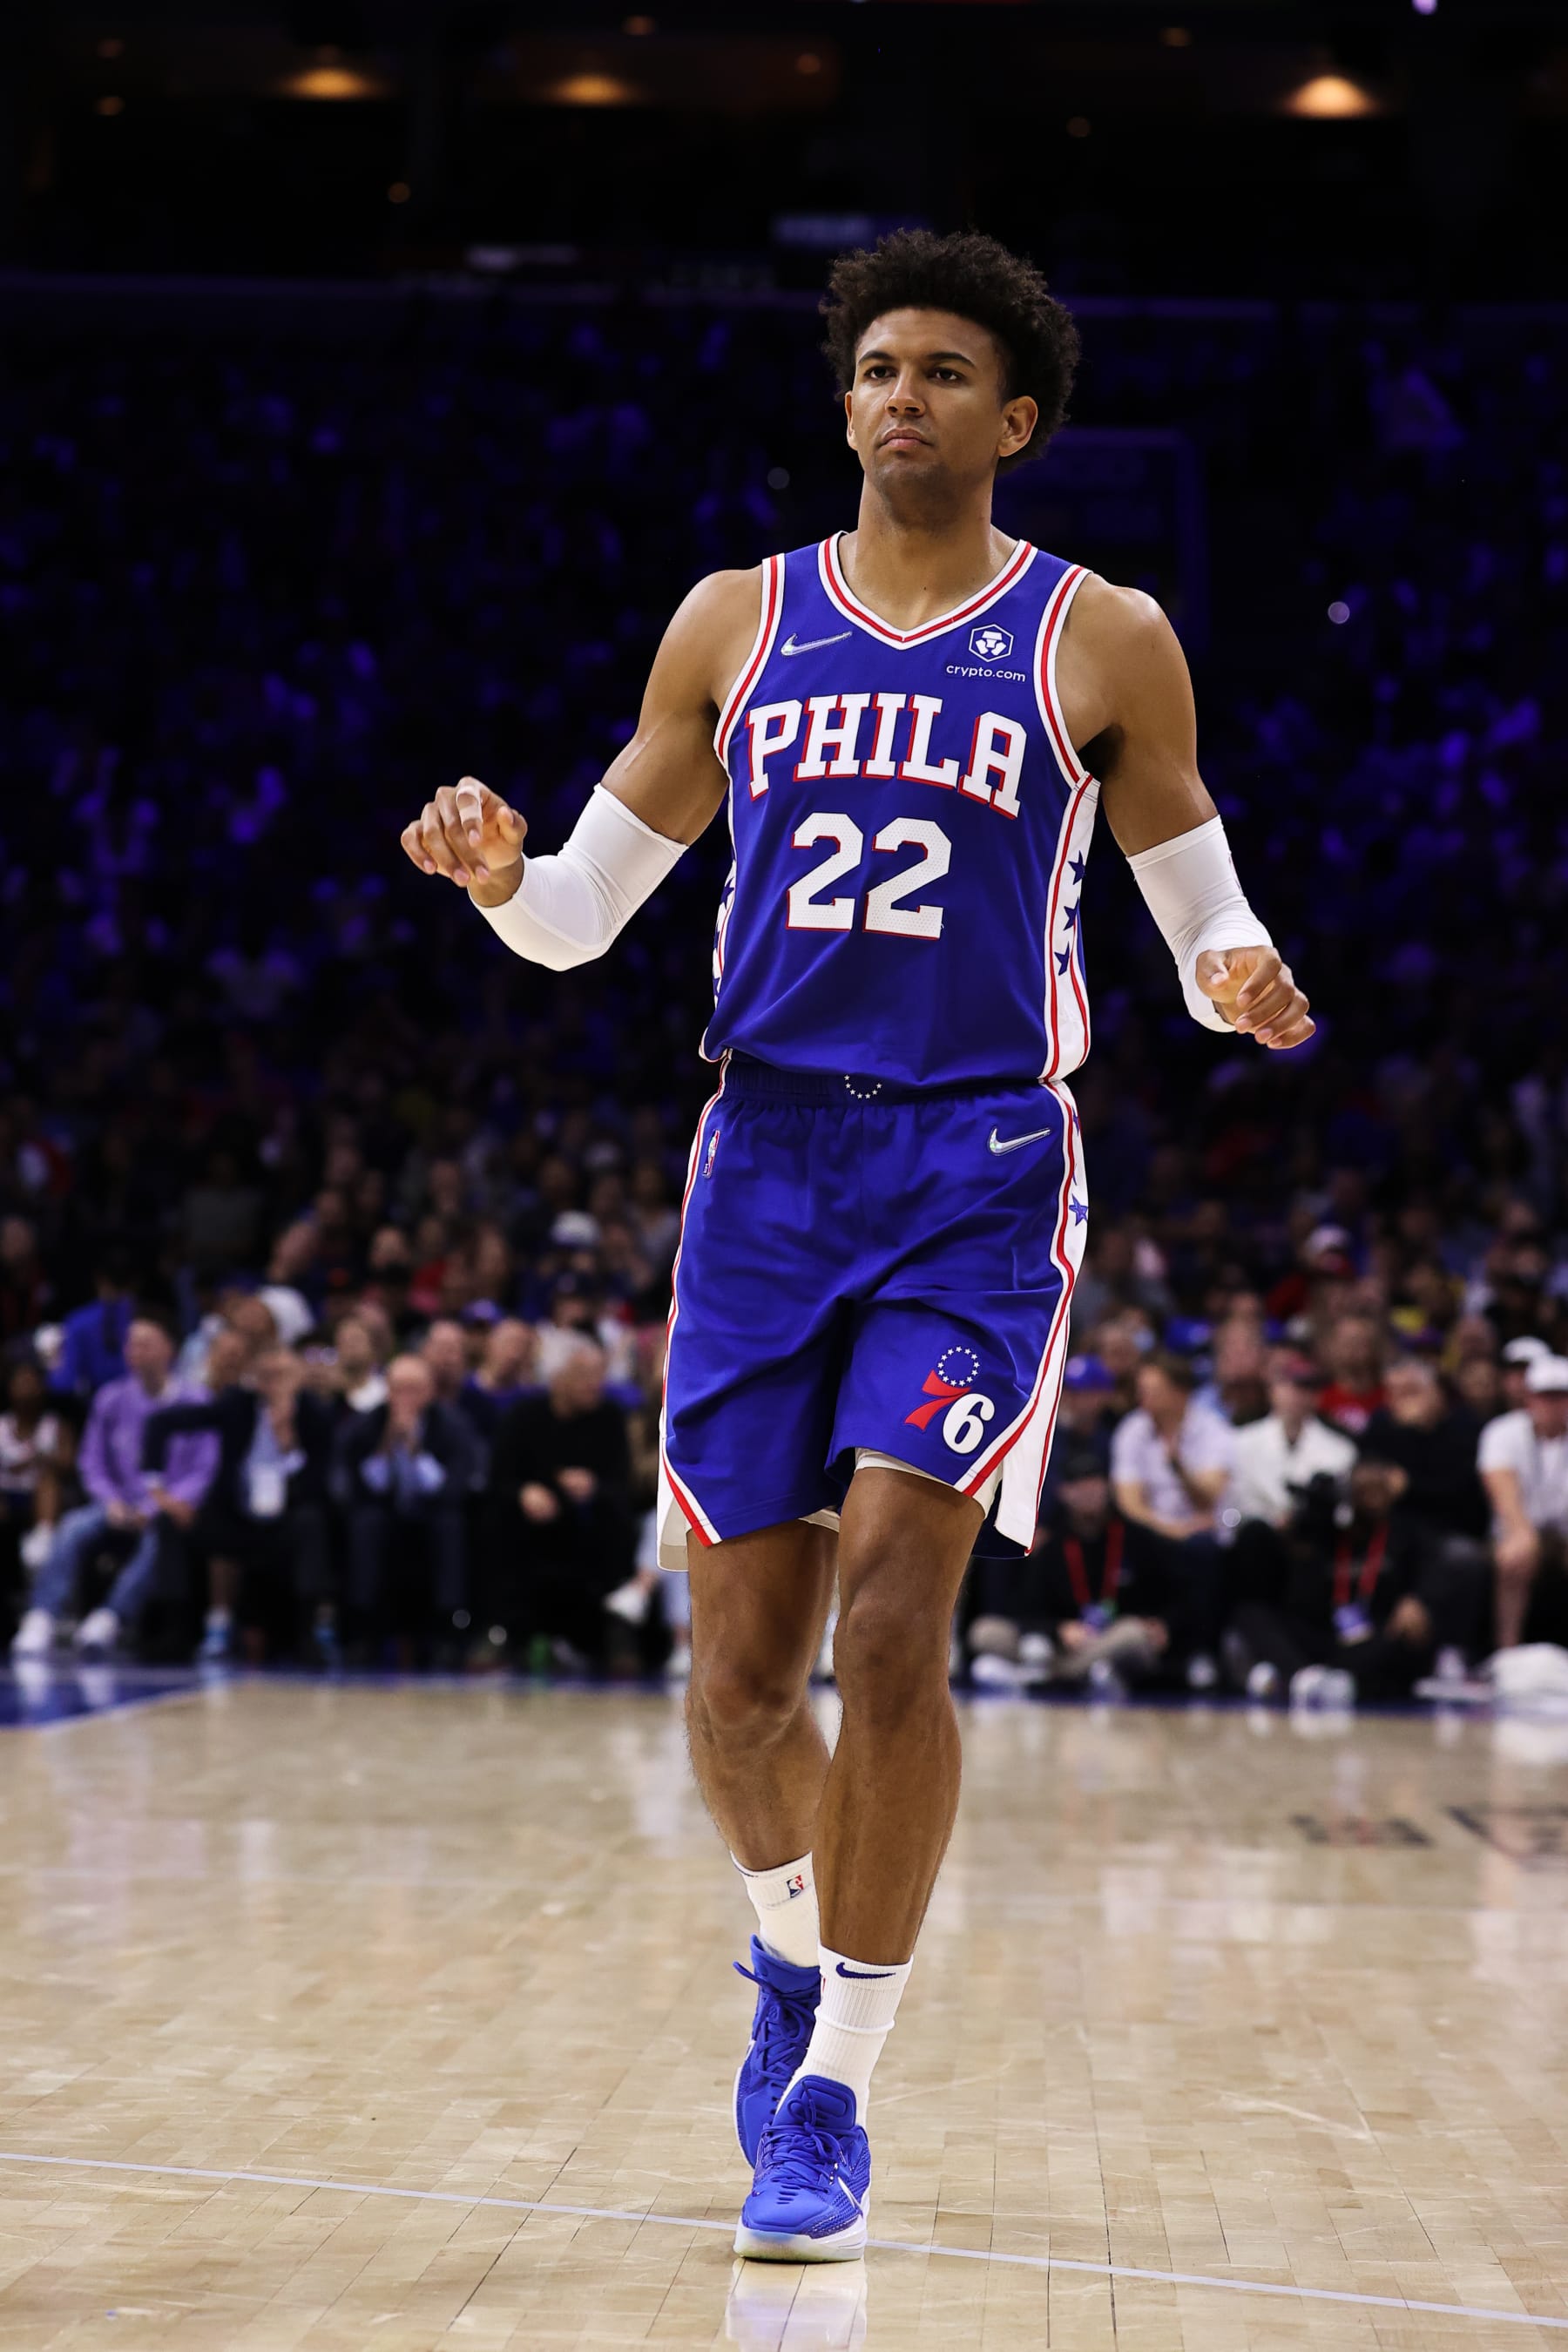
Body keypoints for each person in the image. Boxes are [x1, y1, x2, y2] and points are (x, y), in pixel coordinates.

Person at [399, 227, 1311, 2260]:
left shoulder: (1103, 636)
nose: (898, 392)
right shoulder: (735, 621)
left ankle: (836, 2092)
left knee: (893, 1622)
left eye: (940, 370)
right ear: (845, 406)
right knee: (737, 1682)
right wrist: (491, 874)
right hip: (763, 1171)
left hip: (979, 1168)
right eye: (873, 365)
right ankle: (788, 1953)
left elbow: (1196, 914)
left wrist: (1243, 977)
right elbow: (578, 911)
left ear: (1016, 420)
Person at [11, 1316, 217, 1659]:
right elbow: (92, 1461)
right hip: (116, 1504)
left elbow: (204, 1468)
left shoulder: (197, 1401)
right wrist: (110, 1501)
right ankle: (42, 1615)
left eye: (145, 1343)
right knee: (73, 1528)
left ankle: (111, 1617)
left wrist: (155, 1507)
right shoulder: (111, 1398)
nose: (134, 1351)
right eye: (131, 1343)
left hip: (167, 1509)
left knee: (160, 1539)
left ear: (170, 1349)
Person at [144, 1345, 336, 1665]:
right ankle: (174, 1633)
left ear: (298, 1378)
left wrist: (286, 1437)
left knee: (312, 1524)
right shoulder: (237, 1404)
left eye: (282, 1376)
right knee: (170, 1524)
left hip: (285, 1524)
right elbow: (161, 1422)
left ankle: (307, 1636)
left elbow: (316, 1486)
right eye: (267, 1376)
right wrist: (157, 1490)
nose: (274, 1383)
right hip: (236, 1520)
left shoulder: (315, 1414)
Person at [487, 1336, 638, 1667]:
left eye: (600, 1374)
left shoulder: (610, 1417)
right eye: (584, 1374)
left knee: (617, 1519)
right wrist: (525, 1491)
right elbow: (499, 1478)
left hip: (590, 1519)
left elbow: (621, 1482)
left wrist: (593, 1486)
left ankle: (613, 1631)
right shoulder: (523, 1416)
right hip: (533, 1518)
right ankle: (505, 1634)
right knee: (500, 1519)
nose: (594, 1384)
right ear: (557, 1378)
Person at [331, 1351, 478, 1661]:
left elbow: (450, 1487)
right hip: (383, 1513)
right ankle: (363, 1632)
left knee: (449, 1525)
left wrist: (415, 1449)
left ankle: (447, 1634)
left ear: (430, 1392)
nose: (404, 1398)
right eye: (398, 1388)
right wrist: (386, 1444)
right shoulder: (368, 1425)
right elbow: (364, 1486)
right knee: (365, 1523)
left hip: (433, 1513)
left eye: (414, 1389)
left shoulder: (451, 1425)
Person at [1109, 1352, 1234, 1681]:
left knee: (1203, 1551)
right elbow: (1129, 1502)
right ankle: (1134, 1653)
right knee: (1127, 1535)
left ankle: (1201, 1655)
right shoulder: (1132, 1429)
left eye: (1153, 1390)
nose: (1143, 1398)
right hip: (1155, 1530)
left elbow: (1209, 1496)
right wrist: (1170, 1529)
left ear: (1180, 1393)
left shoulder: (1213, 1429)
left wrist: (1179, 1466)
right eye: (1141, 1390)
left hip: (1202, 1534)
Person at [1477, 1352, 1568, 1651]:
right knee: (1517, 1554)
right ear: (1529, 1398)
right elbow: (1504, 1495)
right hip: (1516, 1529)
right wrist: (1521, 1532)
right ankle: (1508, 1651)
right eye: (1545, 1396)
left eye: (1561, 1396)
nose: (1553, 1405)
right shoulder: (1502, 1432)